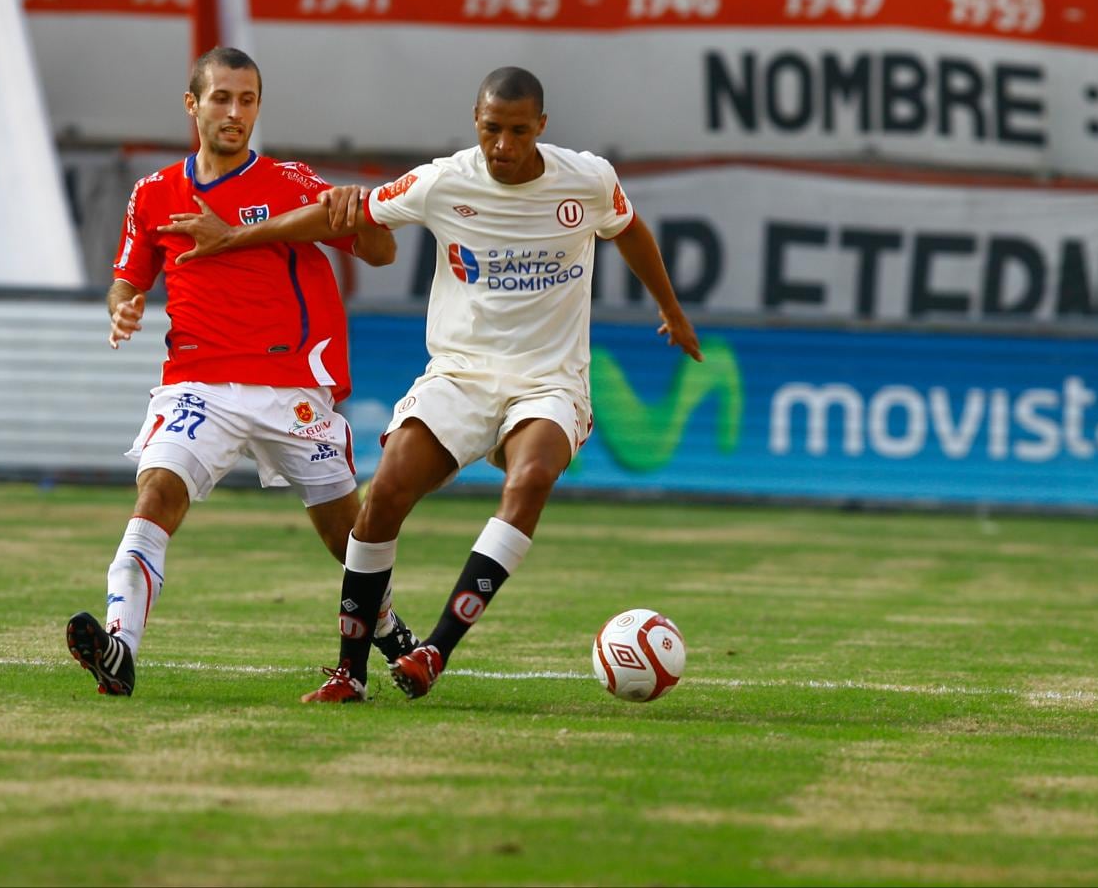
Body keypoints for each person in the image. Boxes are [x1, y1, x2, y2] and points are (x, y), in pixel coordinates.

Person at [159, 66, 702, 703]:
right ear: (476, 122)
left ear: (542, 128)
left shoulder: (586, 178)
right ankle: (349, 673)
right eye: (492, 129)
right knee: (385, 493)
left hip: (550, 380)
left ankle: (434, 652)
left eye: (519, 132)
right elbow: (344, 213)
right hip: (460, 375)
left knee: (528, 480)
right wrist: (236, 237)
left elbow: (628, 229)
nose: (503, 145)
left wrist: (670, 308)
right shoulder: (444, 181)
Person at [65, 46, 416, 698]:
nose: (235, 112)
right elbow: (124, 280)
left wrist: (354, 213)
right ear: (191, 103)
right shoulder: (153, 194)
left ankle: (389, 628)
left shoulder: (289, 183)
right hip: (196, 382)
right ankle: (119, 644)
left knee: (351, 538)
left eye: (247, 99)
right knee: (156, 494)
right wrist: (126, 305)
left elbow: (382, 249)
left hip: (291, 388)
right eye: (221, 98)